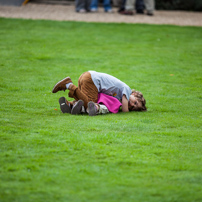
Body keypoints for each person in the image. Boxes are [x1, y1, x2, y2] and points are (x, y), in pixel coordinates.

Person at [52, 71, 147, 116]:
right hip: (92, 80)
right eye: (135, 102)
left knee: (84, 99)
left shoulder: (122, 94)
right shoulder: (127, 90)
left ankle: (69, 104)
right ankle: (69, 85)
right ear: (134, 94)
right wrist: (131, 110)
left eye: (134, 108)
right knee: (91, 102)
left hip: (87, 76)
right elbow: (125, 110)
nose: (132, 105)